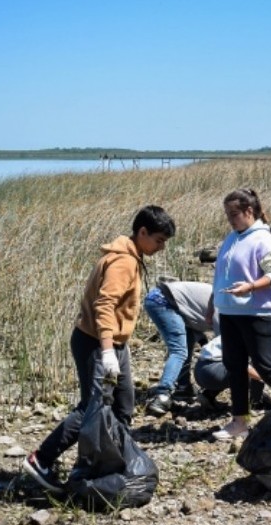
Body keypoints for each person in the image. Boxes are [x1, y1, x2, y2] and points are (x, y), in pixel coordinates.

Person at [23, 205, 176, 492]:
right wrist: (107, 352)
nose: (161, 247)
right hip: (96, 343)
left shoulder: (132, 256)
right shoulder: (123, 263)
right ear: (142, 232)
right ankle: (41, 459)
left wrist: (117, 348)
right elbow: (104, 306)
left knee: (124, 403)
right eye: (158, 240)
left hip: (112, 342)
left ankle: (109, 460)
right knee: (92, 408)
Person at [209, 188, 271, 440]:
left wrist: (251, 286)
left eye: (233, 214)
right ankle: (239, 421)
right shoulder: (231, 237)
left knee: (264, 365)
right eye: (227, 214)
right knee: (234, 366)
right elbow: (220, 274)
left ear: (249, 211)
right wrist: (213, 303)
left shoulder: (264, 239)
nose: (230, 219)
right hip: (229, 311)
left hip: (258, 312)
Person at [143, 280, 213, 417]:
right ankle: (162, 395)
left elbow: (195, 319)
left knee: (187, 343)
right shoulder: (226, 311)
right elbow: (225, 346)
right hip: (163, 301)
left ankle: (183, 387)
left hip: (168, 301)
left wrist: (204, 341)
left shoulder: (227, 303)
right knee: (179, 351)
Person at [194, 326, 271, 413]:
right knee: (258, 369)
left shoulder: (247, 331)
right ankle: (257, 403)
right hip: (210, 372)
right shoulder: (252, 341)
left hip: (201, 369)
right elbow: (245, 368)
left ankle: (208, 395)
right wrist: (266, 378)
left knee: (237, 368)